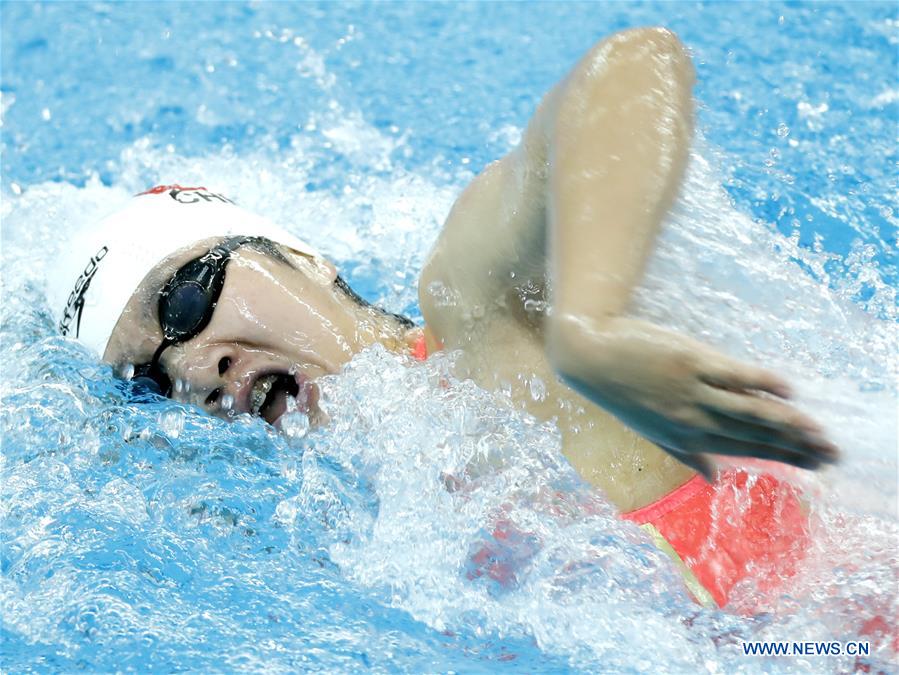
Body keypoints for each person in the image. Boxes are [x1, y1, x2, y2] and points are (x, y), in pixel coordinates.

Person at [47, 27, 838, 607]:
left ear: (301, 257)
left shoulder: (482, 316)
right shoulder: (362, 543)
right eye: (147, 380)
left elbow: (632, 69)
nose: (189, 369)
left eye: (186, 295)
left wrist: (590, 331)